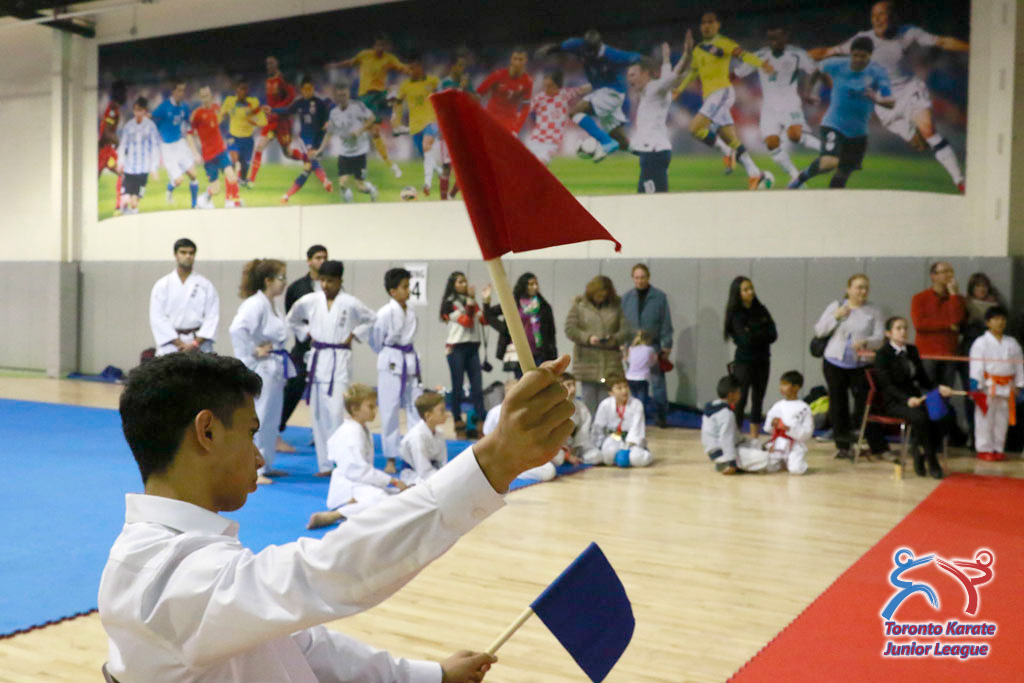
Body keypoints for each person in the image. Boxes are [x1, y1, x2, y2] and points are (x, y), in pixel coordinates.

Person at [101, 350, 577, 681]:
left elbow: (301, 645)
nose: (259, 456)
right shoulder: (159, 579)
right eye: (250, 433)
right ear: (206, 432)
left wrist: (427, 676)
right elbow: (327, 573)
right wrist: (493, 461)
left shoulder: (184, 554)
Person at [812, 0, 969, 192]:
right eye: (874, 16)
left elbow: (943, 41)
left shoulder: (908, 33)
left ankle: (960, 181)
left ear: (893, 16)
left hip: (909, 90)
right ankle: (931, 146)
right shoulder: (863, 39)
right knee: (920, 145)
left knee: (928, 129)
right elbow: (827, 51)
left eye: (882, 14)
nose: (877, 19)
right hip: (885, 103)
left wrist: (972, 47)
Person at [287, 260, 377, 476]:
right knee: (318, 415)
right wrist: (306, 332)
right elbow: (292, 319)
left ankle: (341, 462)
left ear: (339, 281)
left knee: (337, 412)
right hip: (318, 360)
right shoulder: (310, 300)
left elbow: (372, 319)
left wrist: (354, 334)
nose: (326, 285)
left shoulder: (350, 302)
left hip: (339, 361)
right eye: (323, 281)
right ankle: (325, 465)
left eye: (330, 281)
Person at [673, 11, 773, 189]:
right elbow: (693, 72)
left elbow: (744, 55)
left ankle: (727, 152)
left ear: (718, 25)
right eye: (703, 22)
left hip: (722, 92)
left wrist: (761, 64)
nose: (706, 26)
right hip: (710, 97)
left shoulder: (724, 43)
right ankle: (756, 174)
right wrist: (679, 90)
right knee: (731, 139)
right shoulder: (698, 49)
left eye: (711, 22)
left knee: (695, 128)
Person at [788, 37, 893, 189]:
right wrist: (809, 92)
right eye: (855, 55)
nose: (858, 59)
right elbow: (817, 70)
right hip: (834, 125)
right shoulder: (837, 64)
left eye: (863, 56)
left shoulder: (878, 72)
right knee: (829, 162)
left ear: (870, 55)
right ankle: (801, 178)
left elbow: (891, 101)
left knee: (843, 174)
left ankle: (832, 201)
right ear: (850, 53)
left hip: (858, 133)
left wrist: (877, 99)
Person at [307, 384, 409, 528]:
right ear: (355, 409)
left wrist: (391, 482)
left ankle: (355, 506)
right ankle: (337, 514)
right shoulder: (351, 433)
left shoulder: (360, 428)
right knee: (385, 503)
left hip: (360, 481)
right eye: (370, 406)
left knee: (398, 498)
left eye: (375, 406)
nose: (375, 410)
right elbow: (358, 471)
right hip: (350, 485)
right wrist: (391, 480)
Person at [229, 259, 294, 484]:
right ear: (268, 280)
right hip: (262, 368)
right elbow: (237, 329)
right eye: (281, 278)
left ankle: (265, 464)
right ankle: (253, 469)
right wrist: (252, 352)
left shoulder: (271, 304)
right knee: (261, 417)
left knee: (272, 419)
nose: (284, 282)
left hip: (275, 366)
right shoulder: (255, 304)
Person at [536, 29, 643, 160]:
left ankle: (605, 141)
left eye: (594, 49)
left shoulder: (610, 54)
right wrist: (549, 49)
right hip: (604, 93)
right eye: (589, 49)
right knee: (617, 136)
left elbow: (636, 57)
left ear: (599, 45)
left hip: (611, 92)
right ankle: (642, 153)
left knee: (575, 112)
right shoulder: (577, 45)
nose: (592, 52)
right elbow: (561, 47)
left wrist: (650, 69)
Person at [733, 26, 821, 183]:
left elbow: (815, 70)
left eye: (777, 38)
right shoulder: (759, 56)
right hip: (769, 107)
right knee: (772, 144)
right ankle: (795, 176)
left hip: (790, 103)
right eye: (770, 39)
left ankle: (827, 149)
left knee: (795, 135)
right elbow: (738, 73)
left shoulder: (797, 54)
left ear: (785, 37)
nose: (773, 42)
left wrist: (808, 92)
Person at [813, 274, 886, 459]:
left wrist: (866, 342)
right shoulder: (836, 306)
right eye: (859, 287)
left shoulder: (874, 311)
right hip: (834, 362)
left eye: (865, 288)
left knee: (864, 404)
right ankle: (843, 446)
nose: (863, 291)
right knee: (838, 404)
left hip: (861, 364)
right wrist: (836, 317)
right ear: (848, 289)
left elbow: (879, 339)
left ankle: (871, 443)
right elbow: (819, 330)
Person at [873, 316, 951, 478]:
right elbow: (887, 385)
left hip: (915, 398)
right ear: (888, 333)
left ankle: (919, 450)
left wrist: (938, 388)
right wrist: (906, 400)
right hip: (894, 401)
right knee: (921, 417)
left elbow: (923, 379)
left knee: (942, 414)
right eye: (898, 328)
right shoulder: (882, 355)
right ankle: (931, 460)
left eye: (905, 328)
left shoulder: (912, 350)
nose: (903, 332)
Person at [328, 34, 409, 178]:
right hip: (366, 98)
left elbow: (402, 67)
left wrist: (411, 70)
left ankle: (396, 125)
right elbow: (350, 62)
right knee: (375, 133)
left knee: (396, 91)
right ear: (374, 45)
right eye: (378, 45)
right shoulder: (364, 55)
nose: (380, 48)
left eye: (382, 45)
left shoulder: (389, 58)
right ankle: (391, 164)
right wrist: (336, 66)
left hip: (381, 94)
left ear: (385, 46)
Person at [370, 268, 423, 473]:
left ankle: (413, 454)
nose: (408, 291)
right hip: (390, 361)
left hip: (410, 361)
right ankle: (390, 458)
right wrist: (388, 352)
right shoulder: (384, 313)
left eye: (408, 286)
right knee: (389, 410)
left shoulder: (411, 311)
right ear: (393, 291)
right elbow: (376, 340)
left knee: (414, 409)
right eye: (404, 287)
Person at [911, 261, 967, 444]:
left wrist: (954, 295)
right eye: (944, 272)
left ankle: (938, 438)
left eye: (951, 271)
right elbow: (920, 324)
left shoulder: (957, 299)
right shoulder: (920, 298)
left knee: (945, 395)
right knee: (927, 394)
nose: (949, 275)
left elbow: (957, 319)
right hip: (927, 354)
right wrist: (946, 326)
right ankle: (923, 437)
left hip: (949, 354)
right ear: (933, 276)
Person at [627, 39, 693, 193]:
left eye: (633, 74)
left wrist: (687, 55)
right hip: (652, 152)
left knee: (652, 198)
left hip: (654, 152)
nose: (630, 79)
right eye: (628, 75)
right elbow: (667, 78)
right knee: (653, 196)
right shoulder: (652, 91)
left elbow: (673, 77)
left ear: (645, 74)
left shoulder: (654, 88)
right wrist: (666, 60)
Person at [279, 245, 328, 444]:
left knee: (323, 391)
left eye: (324, 257)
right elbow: (291, 317)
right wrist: (307, 333)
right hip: (303, 344)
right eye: (318, 257)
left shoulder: (332, 287)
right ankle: (277, 427)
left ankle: (320, 433)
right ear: (309, 261)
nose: (322, 261)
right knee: (295, 383)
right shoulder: (297, 288)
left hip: (327, 346)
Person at [565, 275, 630, 415]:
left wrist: (613, 339)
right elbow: (570, 329)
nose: (601, 298)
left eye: (604, 295)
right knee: (588, 403)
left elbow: (625, 331)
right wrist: (588, 338)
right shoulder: (579, 307)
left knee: (607, 404)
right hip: (587, 361)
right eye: (598, 295)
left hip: (610, 362)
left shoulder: (616, 307)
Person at [723, 276, 778, 437]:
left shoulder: (761, 309)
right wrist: (760, 332)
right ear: (738, 293)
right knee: (740, 399)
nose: (750, 292)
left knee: (758, 399)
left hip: (763, 360)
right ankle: (736, 435)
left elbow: (773, 334)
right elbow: (745, 340)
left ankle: (754, 436)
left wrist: (753, 332)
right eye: (746, 289)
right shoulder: (736, 315)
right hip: (744, 362)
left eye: (751, 288)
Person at [621, 264, 674, 428]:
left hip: (654, 346)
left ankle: (661, 415)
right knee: (636, 384)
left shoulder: (659, 297)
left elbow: (665, 322)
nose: (640, 281)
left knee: (658, 384)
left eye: (642, 277)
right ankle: (637, 416)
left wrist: (666, 345)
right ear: (632, 278)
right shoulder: (626, 298)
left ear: (648, 277)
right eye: (637, 278)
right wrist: (623, 346)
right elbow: (622, 324)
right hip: (633, 348)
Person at [481, 380, 565, 482]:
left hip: (527, 450)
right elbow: (486, 438)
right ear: (506, 393)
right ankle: (508, 470)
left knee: (559, 457)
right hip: (506, 455)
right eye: (510, 391)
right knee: (549, 471)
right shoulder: (495, 412)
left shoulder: (528, 410)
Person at [969, 306, 1023, 461]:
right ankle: (984, 449)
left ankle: (998, 448)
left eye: (1003, 319)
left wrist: (1019, 385)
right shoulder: (980, 343)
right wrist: (975, 386)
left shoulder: (1012, 343)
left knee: (1002, 420)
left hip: (1007, 386)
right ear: (988, 322)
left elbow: (1019, 366)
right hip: (987, 386)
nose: (1000, 322)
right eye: (996, 319)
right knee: (984, 418)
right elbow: (976, 366)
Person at [149, 238, 219, 356]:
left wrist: (195, 344)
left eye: (191, 253)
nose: (188, 256)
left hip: (198, 344)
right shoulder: (162, 285)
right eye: (183, 252)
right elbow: (158, 318)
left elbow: (212, 317)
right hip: (171, 345)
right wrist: (178, 343)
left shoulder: (205, 285)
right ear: (175, 255)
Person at [310, 84, 379, 202]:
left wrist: (360, 130)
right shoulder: (334, 113)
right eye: (339, 96)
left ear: (348, 95)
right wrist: (320, 150)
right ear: (336, 97)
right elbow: (329, 133)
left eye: (344, 95)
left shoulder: (358, 106)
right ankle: (348, 203)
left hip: (359, 151)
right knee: (342, 183)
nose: (342, 98)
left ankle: (371, 189)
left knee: (360, 186)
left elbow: (372, 118)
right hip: (345, 152)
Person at [484, 273, 558, 379]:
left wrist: (553, 355)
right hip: (518, 352)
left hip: (539, 351)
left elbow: (551, 332)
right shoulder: (513, 303)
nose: (535, 287)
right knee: (522, 381)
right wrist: (505, 329)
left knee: (539, 381)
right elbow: (488, 314)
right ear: (524, 286)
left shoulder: (544, 306)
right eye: (531, 284)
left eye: (536, 284)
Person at [440, 271, 486, 437]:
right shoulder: (449, 303)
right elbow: (466, 322)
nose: (464, 284)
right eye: (460, 282)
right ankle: (458, 420)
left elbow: (484, 320)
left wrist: (486, 302)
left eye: (465, 281)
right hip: (456, 348)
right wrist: (471, 301)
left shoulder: (471, 301)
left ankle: (481, 422)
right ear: (453, 284)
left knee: (477, 388)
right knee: (457, 387)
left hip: (473, 348)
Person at [392, 55, 442, 196]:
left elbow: (443, 94)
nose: (412, 70)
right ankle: (439, 171)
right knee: (426, 155)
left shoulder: (433, 81)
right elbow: (398, 103)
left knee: (426, 147)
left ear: (421, 67)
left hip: (431, 121)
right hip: (414, 124)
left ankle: (427, 184)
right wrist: (396, 119)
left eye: (415, 67)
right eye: (410, 68)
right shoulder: (405, 86)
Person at [279, 77, 334, 204]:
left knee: (308, 169)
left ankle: (286, 196)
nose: (307, 91)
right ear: (301, 90)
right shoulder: (299, 103)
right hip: (304, 138)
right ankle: (325, 180)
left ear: (313, 88)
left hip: (317, 141)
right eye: (305, 89)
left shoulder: (321, 101)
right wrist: (272, 110)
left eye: (310, 89)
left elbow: (332, 108)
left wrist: (328, 121)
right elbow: (287, 111)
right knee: (311, 159)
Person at [748, 370, 813, 475]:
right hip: (778, 443)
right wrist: (772, 424)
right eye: (781, 384)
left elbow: (807, 433)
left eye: (785, 384)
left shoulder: (804, 408)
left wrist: (788, 429)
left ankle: (793, 461)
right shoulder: (777, 406)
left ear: (796, 387)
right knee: (765, 467)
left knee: (796, 469)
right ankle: (782, 462)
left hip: (795, 445)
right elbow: (767, 429)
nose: (781, 387)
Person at [248, 56, 300, 185]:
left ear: (277, 64)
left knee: (287, 153)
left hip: (282, 122)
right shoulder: (268, 80)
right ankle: (251, 180)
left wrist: (276, 109)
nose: (268, 66)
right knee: (259, 147)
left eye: (271, 64)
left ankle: (307, 159)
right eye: (267, 64)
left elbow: (291, 96)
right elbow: (270, 101)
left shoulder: (282, 79)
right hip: (271, 121)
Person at [190, 85, 242, 209]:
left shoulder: (217, 108)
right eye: (203, 96)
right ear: (200, 98)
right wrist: (195, 152)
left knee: (232, 176)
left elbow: (223, 121)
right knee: (216, 189)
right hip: (208, 155)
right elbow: (189, 134)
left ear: (211, 96)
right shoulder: (197, 114)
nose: (205, 99)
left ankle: (231, 201)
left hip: (221, 151)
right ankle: (204, 198)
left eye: (207, 96)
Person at [525, 70, 592, 165]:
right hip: (535, 139)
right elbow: (524, 112)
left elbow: (582, 89)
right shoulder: (539, 98)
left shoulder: (564, 94)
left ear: (557, 85)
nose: (547, 89)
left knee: (542, 162)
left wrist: (598, 84)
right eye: (545, 86)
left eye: (550, 86)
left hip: (552, 142)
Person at [151, 81, 200, 208]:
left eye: (183, 90)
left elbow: (188, 124)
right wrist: (157, 132)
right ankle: (169, 190)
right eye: (179, 90)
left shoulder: (184, 107)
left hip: (180, 144)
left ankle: (194, 205)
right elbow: (152, 118)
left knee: (193, 175)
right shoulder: (164, 107)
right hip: (167, 148)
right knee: (178, 181)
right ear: (173, 91)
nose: (181, 93)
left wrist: (193, 134)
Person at [591, 375, 654, 467]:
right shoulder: (605, 405)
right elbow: (598, 427)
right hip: (613, 437)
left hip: (631, 440)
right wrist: (598, 445)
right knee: (607, 455)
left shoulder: (636, 404)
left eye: (626, 386)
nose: (624, 391)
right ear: (611, 392)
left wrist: (628, 446)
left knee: (636, 458)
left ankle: (642, 453)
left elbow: (637, 427)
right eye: (619, 388)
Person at [115, 96, 162, 214]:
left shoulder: (151, 126)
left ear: (145, 110)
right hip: (129, 169)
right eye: (135, 110)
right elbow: (123, 145)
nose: (137, 113)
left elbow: (155, 147)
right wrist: (120, 162)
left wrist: (153, 168)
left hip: (143, 170)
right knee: (125, 199)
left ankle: (132, 215)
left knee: (134, 202)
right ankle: (127, 213)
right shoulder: (128, 126)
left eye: (140, 110)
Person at [475, 47, 533, 135]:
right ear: (511, 60)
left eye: (520, 59)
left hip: (509, 123)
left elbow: (526, 108)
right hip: (491, 119)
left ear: (525, 61)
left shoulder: (527, 81)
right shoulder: (498, 75)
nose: (517, 62)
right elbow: (478, 94)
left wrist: (516, 129)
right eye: (515, 59)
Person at [219, 77, 266, 185]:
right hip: (233, 136)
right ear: (236, 89)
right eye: (240, 88)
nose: (242, 91)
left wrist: (252, 119)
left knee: (244, 166)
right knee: (234, 160)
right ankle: (230, 188)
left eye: (245, 89)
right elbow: (220, 115)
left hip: (247, 139)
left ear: (248, 91)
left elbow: (263, 121)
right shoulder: (230, 101)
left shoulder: (253, 103)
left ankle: (242, 179)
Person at [398, 391, 450, 484]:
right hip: (413, 478)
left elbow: (442, 464)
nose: (446, 414)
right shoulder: (416, 437)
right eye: (442, 411)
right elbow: (424, 472)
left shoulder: (439, 434)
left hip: (432, 473)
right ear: (428, 416)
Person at [701, 375, 743, 474]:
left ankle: (724, 462)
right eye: (739, 392)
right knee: (763, 458)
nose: (740, 395)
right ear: (731, 395)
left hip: (714, 451)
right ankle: (725, 464)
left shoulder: (714, 406)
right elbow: (726, 438)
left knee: (754, 443)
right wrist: (731, 462)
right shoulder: (726, 413)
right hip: (722, 453)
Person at [557, 372, 600, 465]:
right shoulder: (552, 407)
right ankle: (566, 458)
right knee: (558, 458)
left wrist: (575, 449)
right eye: (569, 385)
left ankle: (577, 459)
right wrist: (567, 455)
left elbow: (584, 432)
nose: (573, 389)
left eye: (574, 385)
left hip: (574, 447)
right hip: (557, 449)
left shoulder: (581, 407)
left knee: (597, 455)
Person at [98, 80, 126, 213]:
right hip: (105, 151)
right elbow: (106, 132)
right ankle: (118, 207)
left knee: (122, 173)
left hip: (106, 151)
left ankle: (118, 207)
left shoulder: (113, 108)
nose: (126, 95)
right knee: (122, 173)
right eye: (124, 92)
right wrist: (117, 141)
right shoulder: (113, 110)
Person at [625, 330, 657, 411]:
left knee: (633, 398)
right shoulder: (650, 349)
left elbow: (628, 360)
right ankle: (641, 414)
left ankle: (632, 413)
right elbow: (653, 362)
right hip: (642, 377)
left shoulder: (631, 348)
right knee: (642, 399)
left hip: (630, 377)